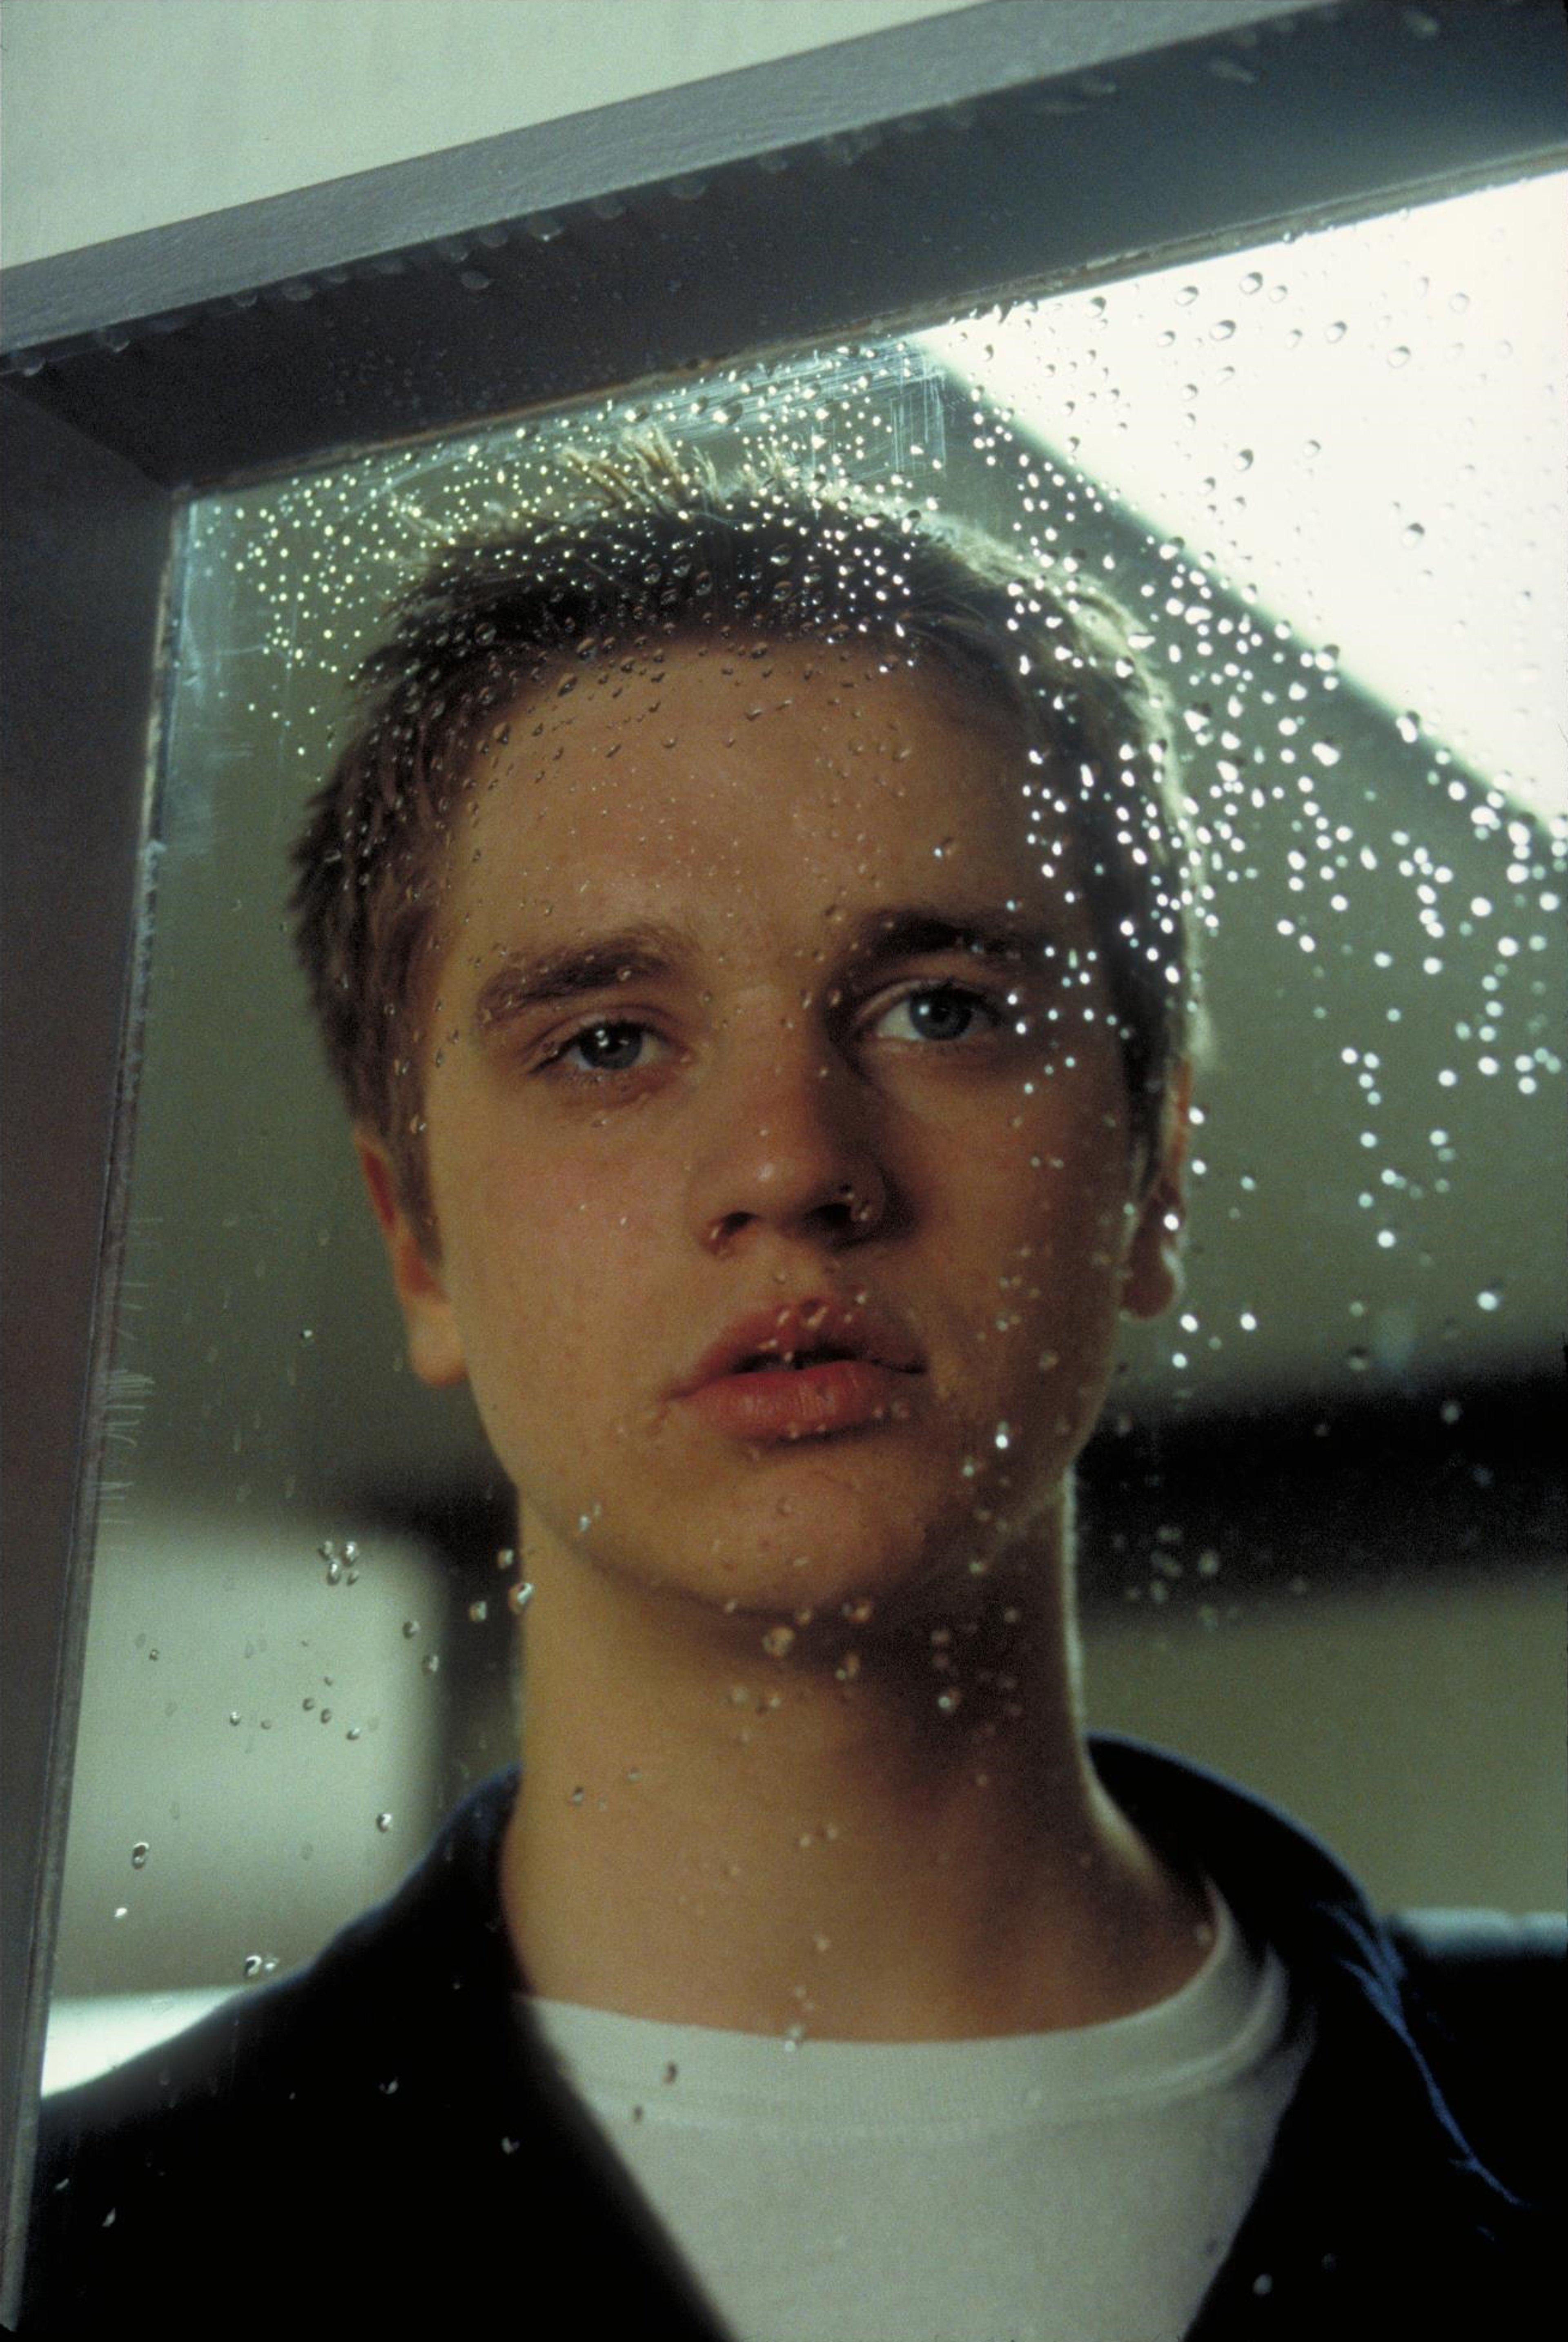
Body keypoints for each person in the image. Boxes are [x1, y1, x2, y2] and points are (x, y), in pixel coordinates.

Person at [20, 441, 1548, 2338]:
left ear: (1151, 1177)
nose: (790, 1163)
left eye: (943, 1007)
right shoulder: (78, 2267)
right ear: (417, 1240)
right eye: (605, 1041)